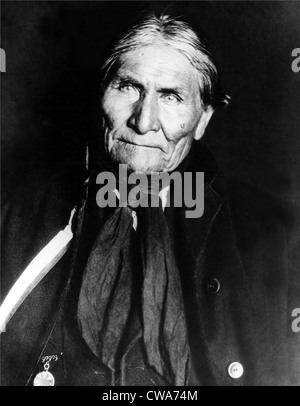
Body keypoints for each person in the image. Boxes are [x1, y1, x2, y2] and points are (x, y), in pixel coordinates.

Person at [1, 12, 299, 386]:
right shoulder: (19, 213)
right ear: (101, 94)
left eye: (171, 96)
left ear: (204, 118)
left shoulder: (271, 234)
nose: (144, 122)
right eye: (128, 87)